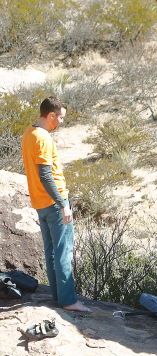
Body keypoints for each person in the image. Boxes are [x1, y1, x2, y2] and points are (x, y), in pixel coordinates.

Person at [21, 96, 90, 312]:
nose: (61, 121)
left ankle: (58, 296)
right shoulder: (42, 138)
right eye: (60, 117)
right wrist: (63, 203)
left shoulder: (28, 132)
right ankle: (69, 301)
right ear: (51, 115)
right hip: (53, 202)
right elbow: (45, 175)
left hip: (40, 202)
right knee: (63, 251)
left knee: (51, 251)